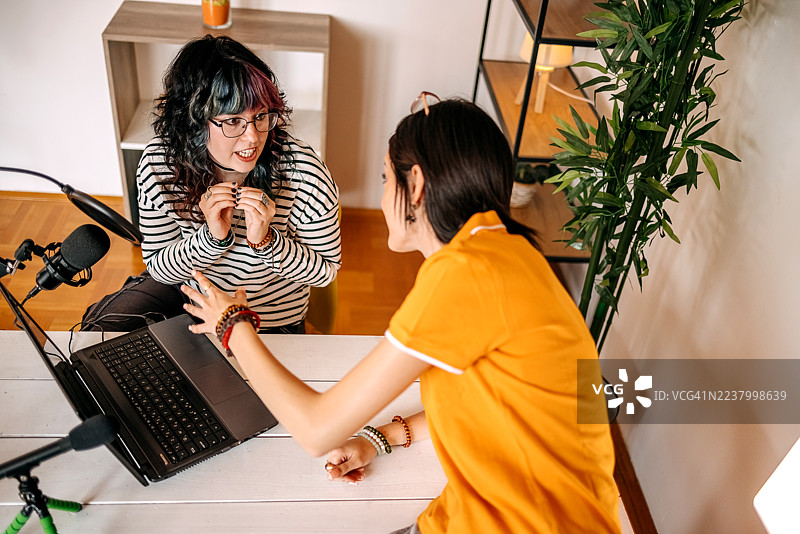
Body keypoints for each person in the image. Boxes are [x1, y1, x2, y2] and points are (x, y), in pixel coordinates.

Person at [181, 95, 620, 533]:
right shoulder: (508, 252)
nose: (383, 195)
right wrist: (381, 439)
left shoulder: (464, 276)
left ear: (418, 184)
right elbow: (496, 402)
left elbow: (316, 429)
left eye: (386, 178)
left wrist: (233, 324)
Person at [82, 35, 340, 334]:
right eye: (232, 121)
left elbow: (325, 272)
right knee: (97, 332)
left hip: (266, 316)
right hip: (186, 292)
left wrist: (267, 242)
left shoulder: (304, 171)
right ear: (193, 121)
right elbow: (159, 267)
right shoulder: (160, 163)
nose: (253, 137)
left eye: (260, 116)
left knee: (225, 366)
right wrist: (212, 239)